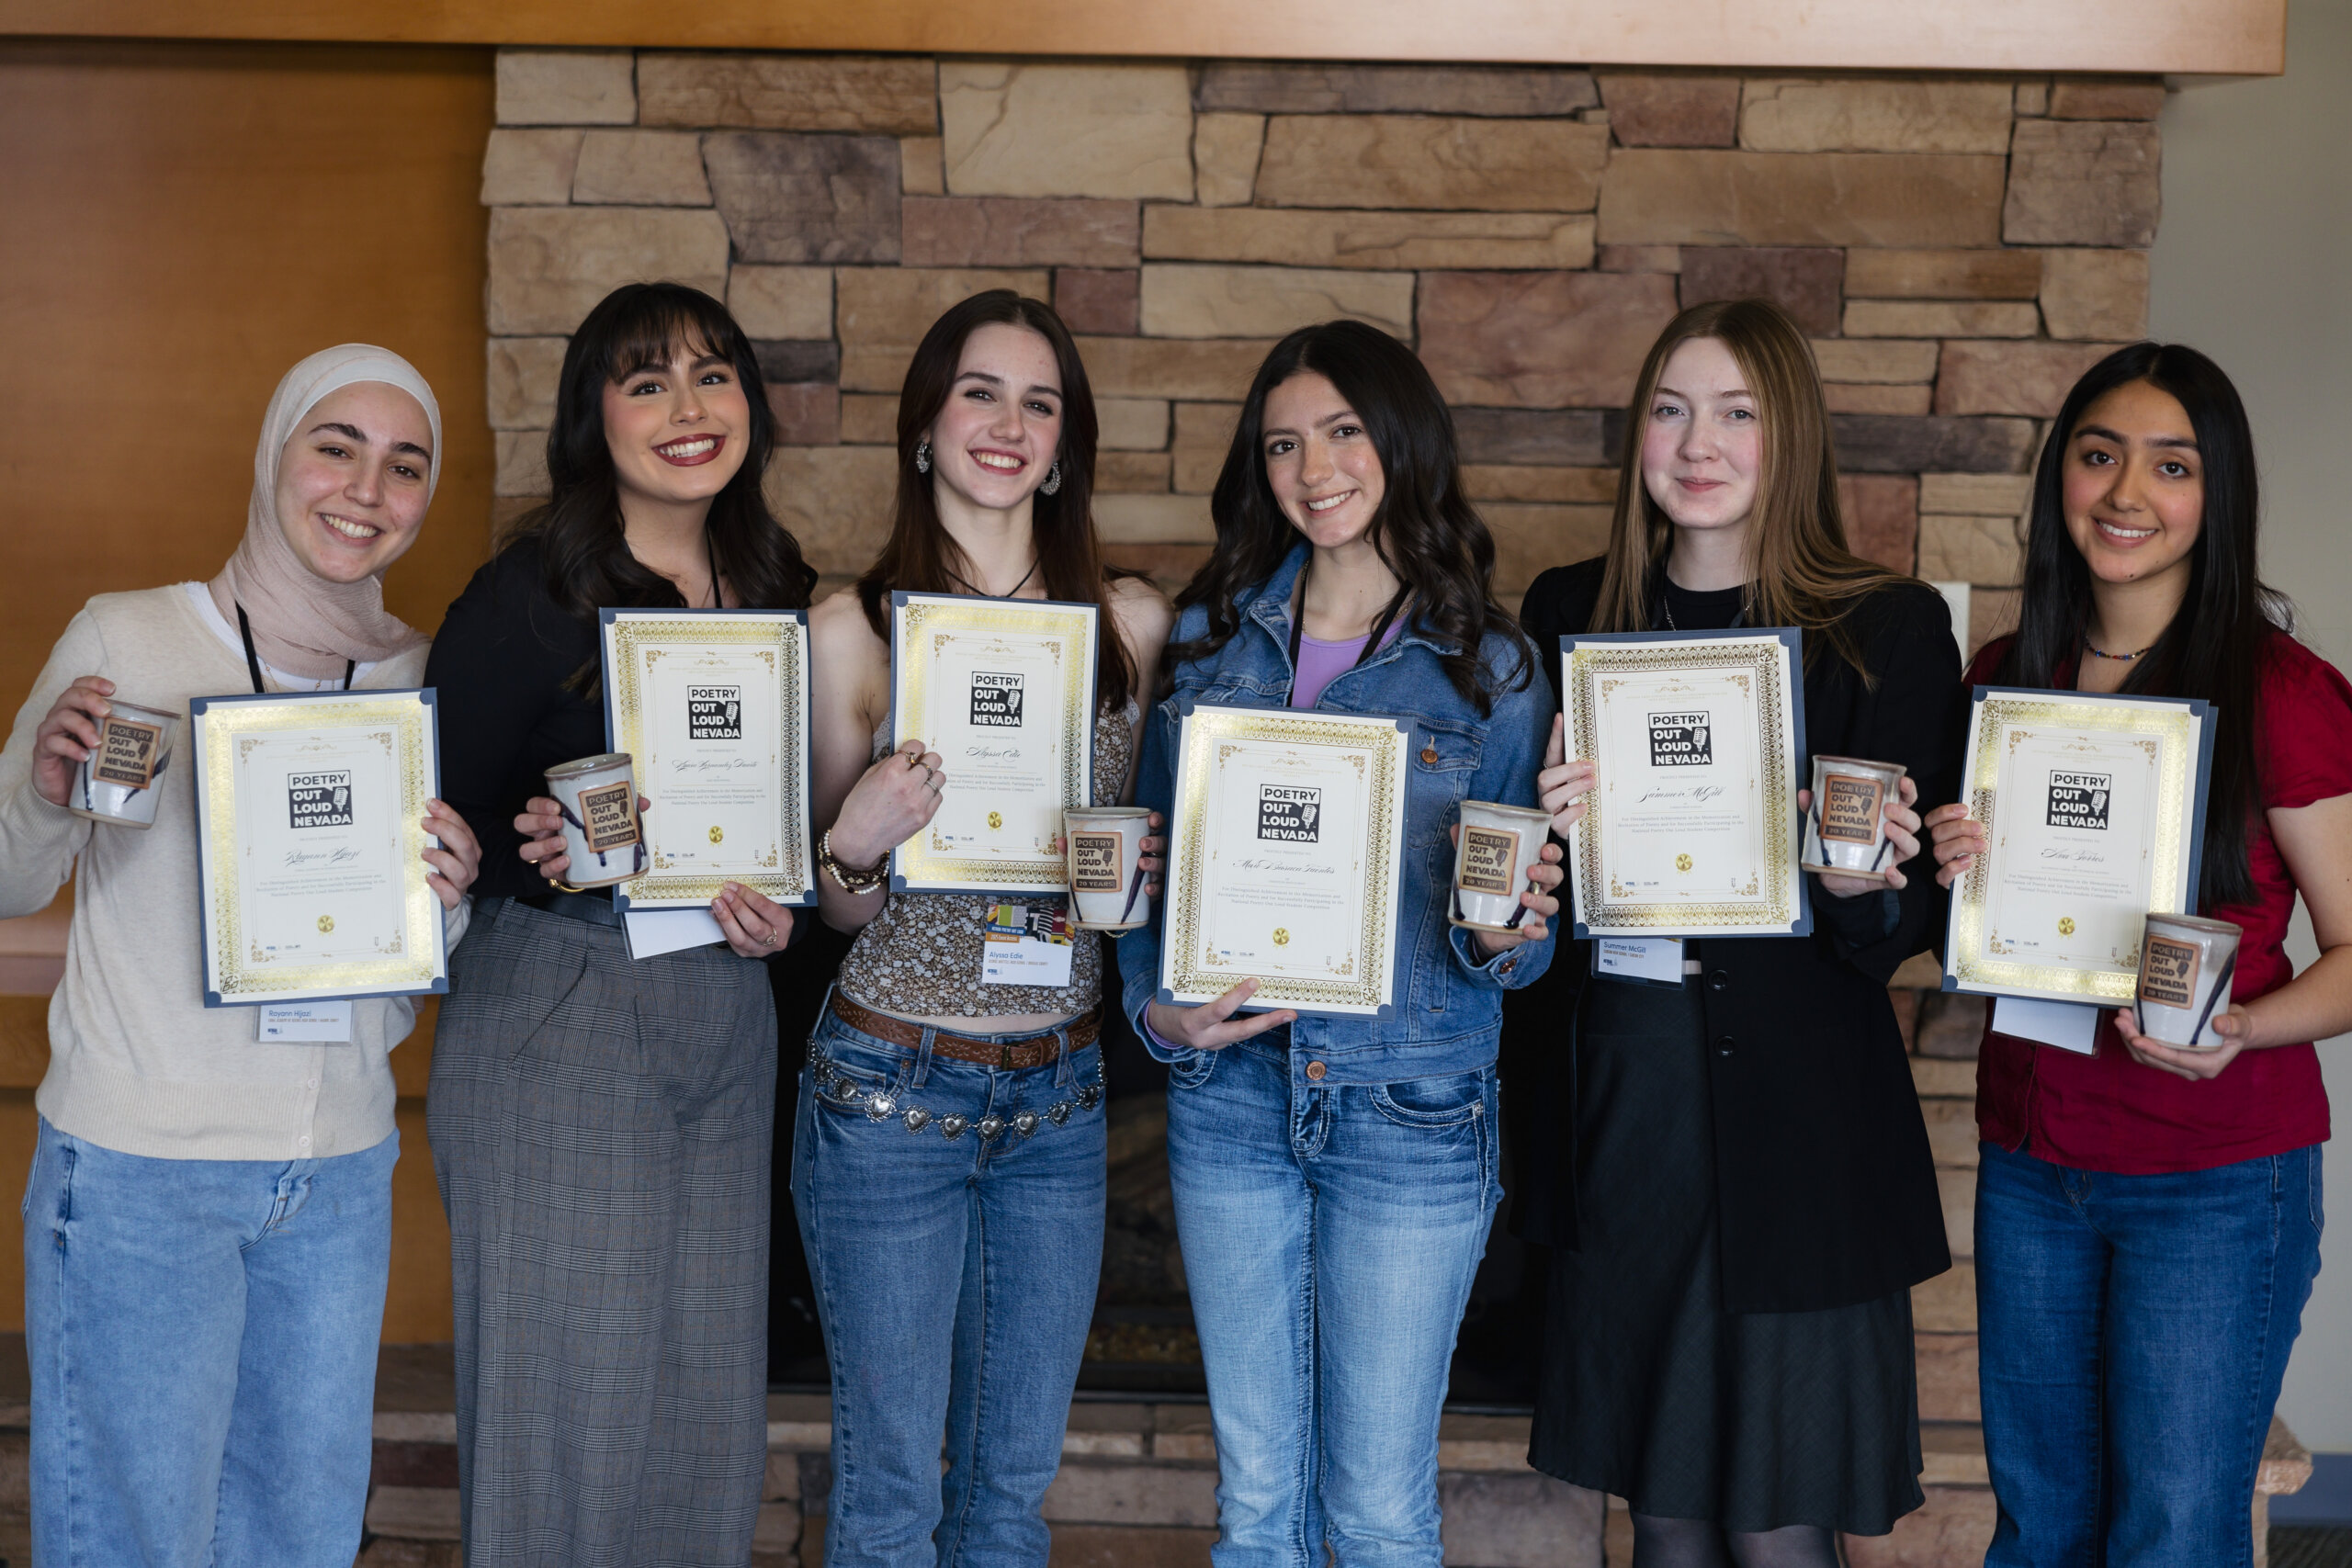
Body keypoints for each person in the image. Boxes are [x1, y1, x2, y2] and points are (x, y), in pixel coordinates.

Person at [8, 344, 481, 1567]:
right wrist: (47, 793)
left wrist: (453, 897)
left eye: (405, 464)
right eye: (336, 446)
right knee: (132, 1541)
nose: (366, 489)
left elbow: (407, 957)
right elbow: (9, 879)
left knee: (298, 1542)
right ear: (276, 452)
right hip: (139, 1178)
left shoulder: (421, 680)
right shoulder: (131, 639)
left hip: (334, 1183)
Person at [1510, 299, 1958, 1566]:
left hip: (1800, 1132)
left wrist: (1862, 870)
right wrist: (1538, 836)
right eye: (1670, 410)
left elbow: (1904, 930)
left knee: (1777, 1531)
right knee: (1661, 1521)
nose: (1697, 443)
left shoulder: (1884, 628)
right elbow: (1511, 904)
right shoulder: (1563, 612)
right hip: (1623, 1118)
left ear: (1791, 438)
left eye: (1737, 413)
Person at [1115, 320, 1560, 1568]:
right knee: (1257, 1513)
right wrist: (1161, 1012)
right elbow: (1144, 875)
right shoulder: (1205, 647)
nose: (1315, 468)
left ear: (1402, 440)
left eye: (1345, 431)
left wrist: (1500, 928)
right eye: (1283, 444)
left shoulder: (1495, 671)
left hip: (1411, 1113)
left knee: (1373, 1514)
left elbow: (1523, 947)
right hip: (1231, 1108)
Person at [1924, 343, 2352, 1568]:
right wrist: (1955, 864)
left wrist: (2246, 1029)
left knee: (2171, 1532)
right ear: (2062, 472)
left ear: (2218, 496)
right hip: (2032, 1161)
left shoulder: (2284, 693)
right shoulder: (2005, 679)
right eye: (2099, 454)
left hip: (2214, 1181)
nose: (2127, 493)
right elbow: (1990, 921)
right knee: (2042, 1523)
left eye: (2173, 465)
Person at [424, 283, 815, 1565]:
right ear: (595, 418)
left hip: (722, 1012)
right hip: (561, 1015)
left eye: (712, 376)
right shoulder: (527, 596)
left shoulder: (778, 583)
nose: (688, 409)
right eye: (646, 382)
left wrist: (776, 917)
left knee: (704, 1394)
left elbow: (777, 831)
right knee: (563, 1403)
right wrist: (535, 857)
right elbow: (437, 835)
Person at [792, 288, 1172, 1567]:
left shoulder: (1131, 624)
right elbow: (836, 910)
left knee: (1008, 1498)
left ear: (1064, 446)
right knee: (893, 1497)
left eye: (1040, 401)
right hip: (889, 1089)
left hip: (1060, 1099)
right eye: (980, 391)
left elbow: (1139, 866)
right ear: (924, 425)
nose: (1008, 425)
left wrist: (1146, 881)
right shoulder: (850, 630)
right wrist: (857, 834)